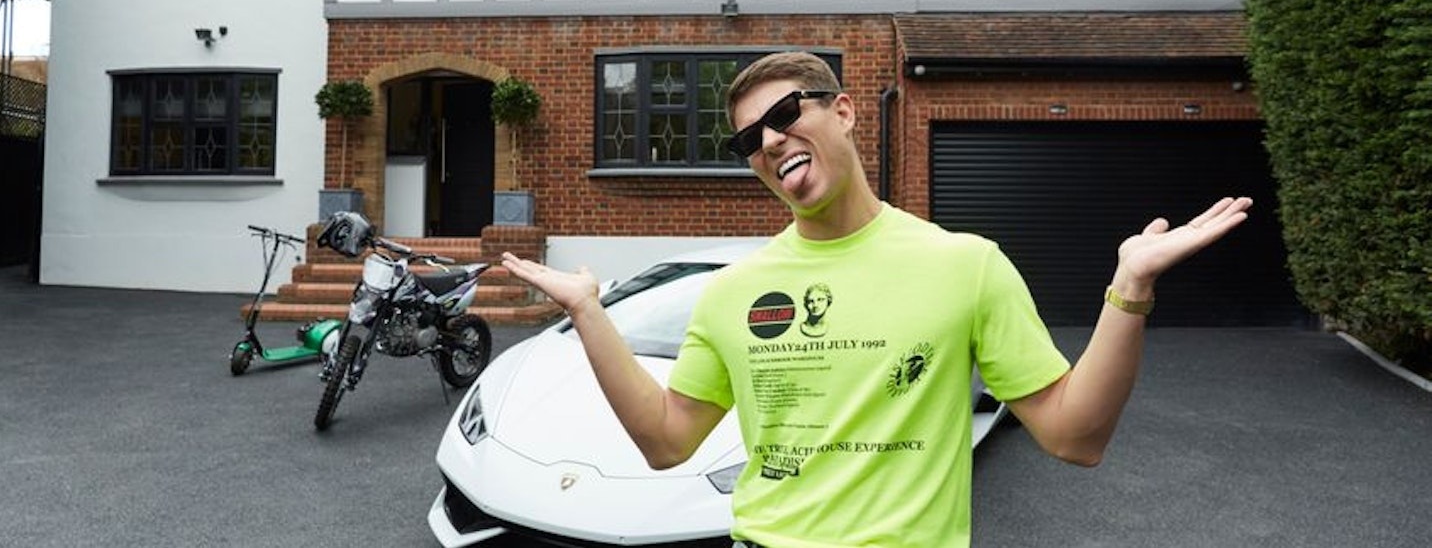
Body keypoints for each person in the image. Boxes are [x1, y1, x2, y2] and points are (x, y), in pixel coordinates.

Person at [501, 51, 1252, 548]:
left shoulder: (966, 265)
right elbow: (667, 442)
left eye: (786, 114)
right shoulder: (734, 293)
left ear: (846, 112)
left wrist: (1129, 290)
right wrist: (588, 312)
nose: (768, 141)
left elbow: (1074, 437)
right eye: (746, 140)